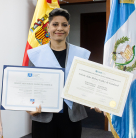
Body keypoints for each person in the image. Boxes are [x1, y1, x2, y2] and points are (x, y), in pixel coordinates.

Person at [26, 8, 102, 138]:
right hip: (44, 116)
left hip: (71, 116)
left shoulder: (81, 54)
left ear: (69, 28)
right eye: (55, 24)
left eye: (64, 25)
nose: (59, 28)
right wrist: (28, 107)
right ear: (48, 27)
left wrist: (98, 100)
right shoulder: (35, 55)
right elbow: (29, 86)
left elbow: (88, 83)